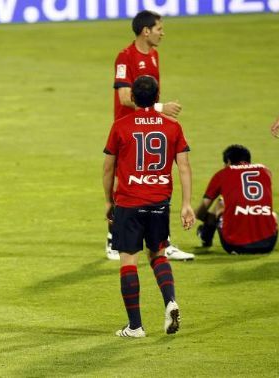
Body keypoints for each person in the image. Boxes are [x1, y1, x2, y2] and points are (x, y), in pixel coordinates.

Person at [103, 75, 195, 338]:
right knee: (158, 254)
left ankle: (135, 326)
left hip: (129, 202)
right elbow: (184, 167)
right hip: (159, 203)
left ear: (132, 97)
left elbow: (109, 167)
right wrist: (186, 204)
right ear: (157, 98)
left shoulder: (120, 126)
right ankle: (170, 302)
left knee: (128, 260)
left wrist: (109, 200)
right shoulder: (173, 127)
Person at [107, 9, 193, 261]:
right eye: (159, 28)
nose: (162, 33)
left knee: (154, 179)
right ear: (146, 31)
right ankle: (113, 239)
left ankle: (162, 242)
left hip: (150, 126)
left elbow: (150, 95)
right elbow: (124, 98)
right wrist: (160, 109)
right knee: (125, 180)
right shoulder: (125, 58)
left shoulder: (154, 56)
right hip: (127, 129)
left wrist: (159, 116)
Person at [195, 145, 278, 254]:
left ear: (228, 161)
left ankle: (205, 237)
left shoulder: (222, 174)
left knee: (220, 203)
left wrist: (208, 219)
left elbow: (200, 211)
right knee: (273, 214)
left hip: (235, 245)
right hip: (268, 244)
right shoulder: (265, 171)